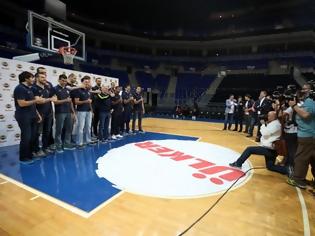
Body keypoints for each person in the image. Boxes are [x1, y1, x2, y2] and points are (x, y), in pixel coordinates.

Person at [287, 83, 315, 189]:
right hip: (310, 135)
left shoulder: (310, 101)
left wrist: (294, 106)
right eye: (302, 89)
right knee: (312, 158)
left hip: (308, 135)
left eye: (305, 89)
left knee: (301, 159)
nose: (303, 91)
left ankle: (298, 180)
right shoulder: (308, 101)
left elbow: (305, 115)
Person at [14, 71, 44, 164]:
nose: (33, 79)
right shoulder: (19, 88)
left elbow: (32, 103)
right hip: (24, 116)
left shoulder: (30, 88)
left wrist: (37, 114)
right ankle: (23, 158)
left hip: (32, 116)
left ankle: (30, 154)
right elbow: (21, 103)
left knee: (32, 137)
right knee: (26, 137)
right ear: (26, 78)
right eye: (31, 77)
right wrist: (35, 100)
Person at [32, 72, 57, 156]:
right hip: (39, 114)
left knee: (47, 132)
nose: (44, 79)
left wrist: (51, 99)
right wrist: (50, 99)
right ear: (36, 78)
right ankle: (36, 150)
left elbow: (54, 98)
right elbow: (38, 101)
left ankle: (45, 148)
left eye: (45, 77)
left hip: (49, 113)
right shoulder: (34, 88)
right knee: (37, 133)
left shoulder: (47, 87)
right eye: (42, 77)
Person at [52, 74, 76, 152]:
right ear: (59, 80)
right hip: (60, 112)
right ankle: (58, 145)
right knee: (59, 130)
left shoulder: (67, 89)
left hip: (68, 112)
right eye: (62, 80)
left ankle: (67, 144)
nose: (64, 82)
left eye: (65, 81)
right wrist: (65, 100)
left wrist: (73, 112)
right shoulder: (55, 89)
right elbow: (55, 102)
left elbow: (71, 102)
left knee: (69, 129)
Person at [73, 76, 94, 148]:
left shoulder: (88, 91)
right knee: (80, 127)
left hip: (88, 111)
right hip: (81, 111)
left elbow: (89, 102)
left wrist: (91, 110)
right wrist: (86, 101)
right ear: (82, 82)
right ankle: (79, 143)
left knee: (88, 127)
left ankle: (88, 140)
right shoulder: (78, 90)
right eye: (85, 82)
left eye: (88, 82)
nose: (87, 83)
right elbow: (76, 102)